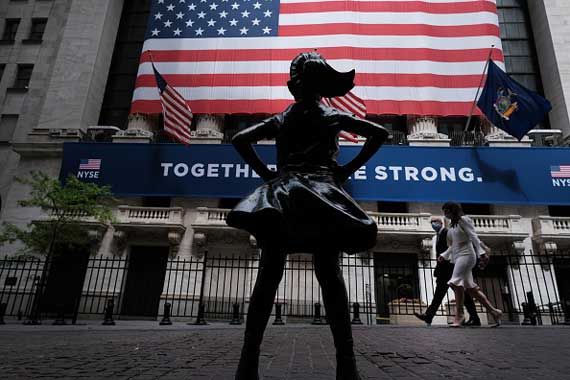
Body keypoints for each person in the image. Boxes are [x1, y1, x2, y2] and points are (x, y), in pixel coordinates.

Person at [226, 52, 388, 380]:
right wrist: (346, 169)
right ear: (321, 87)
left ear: (295, 86)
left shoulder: (283, 118)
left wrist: (268, 175)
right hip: (322, 196)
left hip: (283, 196)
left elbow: (240, 139)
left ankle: (248, 363)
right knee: (329, 275)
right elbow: (379, 133)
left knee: (268, 275)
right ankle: (347, 365)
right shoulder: (332, 116)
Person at [438, 202, 502, 327]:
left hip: (467, 254)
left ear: (454, 210)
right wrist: (444, 255)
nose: (445, 213)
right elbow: (452, 245)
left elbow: (473, 236)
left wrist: (481, 253)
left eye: (447, 211)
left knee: (454, 282)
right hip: (457, 256)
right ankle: (494, 312)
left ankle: (459, 315)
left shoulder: (463, 220)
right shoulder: (452, 226)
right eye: (444, 211)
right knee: (471, 289)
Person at [414, 217, 481, 326]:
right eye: (431, 222)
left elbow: (452, 247)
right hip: (444, 270)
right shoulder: (437, 236)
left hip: (450, 268)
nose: (433, 224)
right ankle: (428, 316)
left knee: (462, 294)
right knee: (439, 294)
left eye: (435, 222)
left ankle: (474, 318)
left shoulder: (446, 232)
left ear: (441, 223)